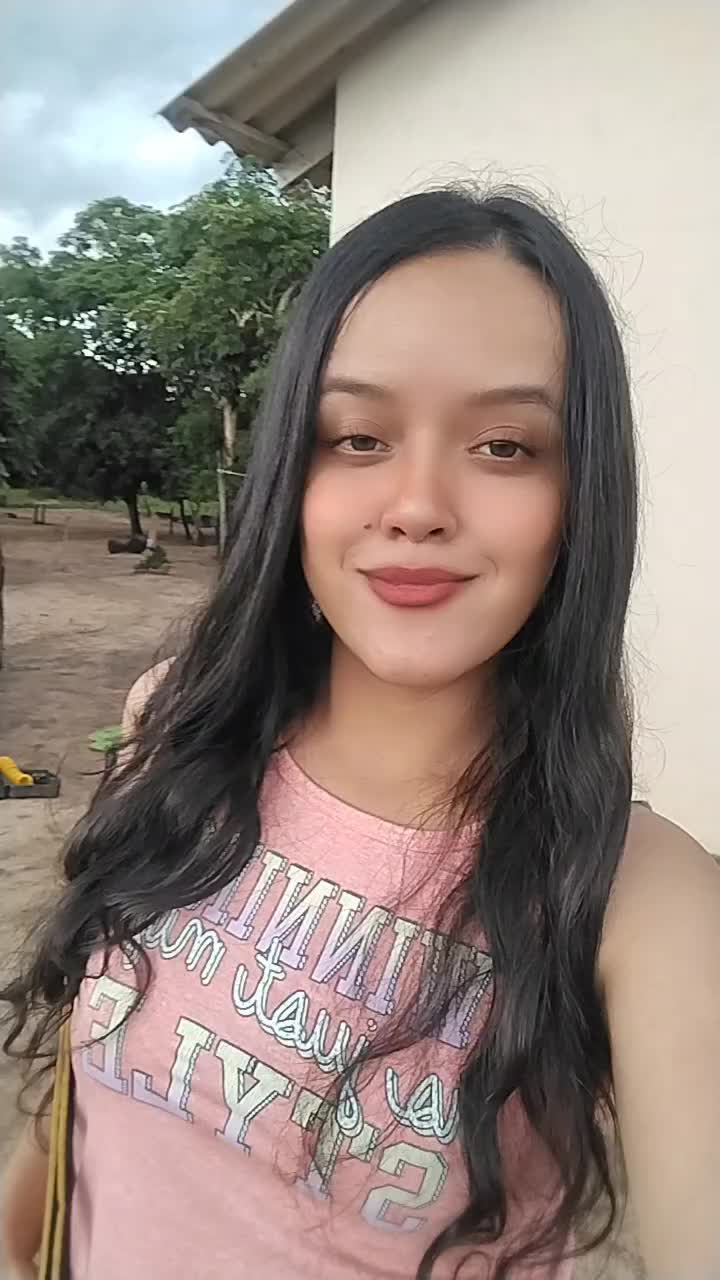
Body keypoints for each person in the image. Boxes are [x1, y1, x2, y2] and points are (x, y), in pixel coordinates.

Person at [2, 188, 719, 1280]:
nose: (417, 504)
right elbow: (85, 1078)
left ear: (581, 498)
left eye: (504, 445)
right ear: (294, 471)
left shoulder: (637, 901)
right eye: (358, 438)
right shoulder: (176, 724)